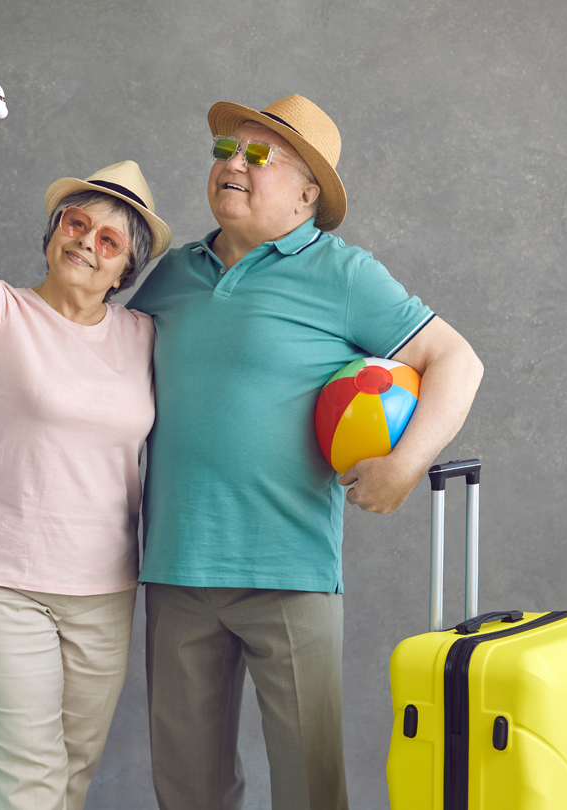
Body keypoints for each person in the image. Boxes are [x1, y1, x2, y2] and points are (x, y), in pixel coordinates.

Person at [126, 95, 484, 810]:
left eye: (258, 157)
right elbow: (99, 375)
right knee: (186, 792)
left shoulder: (343, 274)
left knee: (310, 790)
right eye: (227, 151)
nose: (232, 164)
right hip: (175, 568)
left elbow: (458, 360)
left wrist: (405, 464)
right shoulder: (170, 275)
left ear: (306, 194)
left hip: (290, 571)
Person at [0, 75, 172, 810]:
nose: (87, 242)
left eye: (109, 239)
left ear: (127, 269)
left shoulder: (144, 337)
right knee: (29, 790)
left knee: (69, 784)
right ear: (53, 232)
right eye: (75, 224)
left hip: (105, 590)